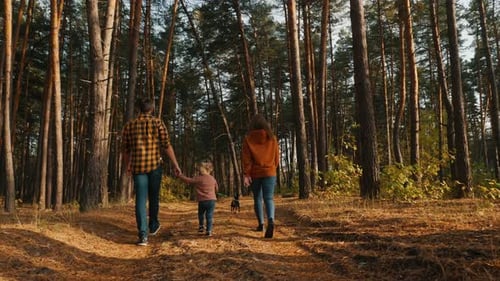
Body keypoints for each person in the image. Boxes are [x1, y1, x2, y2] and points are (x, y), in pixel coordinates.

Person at [121, 98, 181, 246]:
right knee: (154, 197)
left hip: (138, 168)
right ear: (152, 109)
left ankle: (143, 235)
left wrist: (127, 165)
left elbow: (126, 150)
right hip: (155, 167)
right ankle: (153, 225)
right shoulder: (158, 123)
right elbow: (167, 145)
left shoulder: (130, 125)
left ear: (139, 109)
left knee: (140, 200)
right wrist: (176, 164)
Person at [242, 114, 280, 238]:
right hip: (270, 172)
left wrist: (247, 173)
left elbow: (246, 160)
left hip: (255, 173)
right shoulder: (272, 138)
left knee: (257, 198)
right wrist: (273, 167)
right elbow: (276, 158)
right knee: (269, 198)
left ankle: (261, 224)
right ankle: (271, 219)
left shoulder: (248, 139)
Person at [177, 161, 218, 237]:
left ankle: (201, 226)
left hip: (202, 201)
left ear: (203, 170)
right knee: (209, 215)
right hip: (211, 200)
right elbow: (217, 188)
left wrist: (180, 175)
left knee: (201, 214)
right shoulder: (213, 178)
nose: (199, 171)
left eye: (200, 169)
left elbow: (188, 180)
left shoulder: (198, 178)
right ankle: (209, 230)